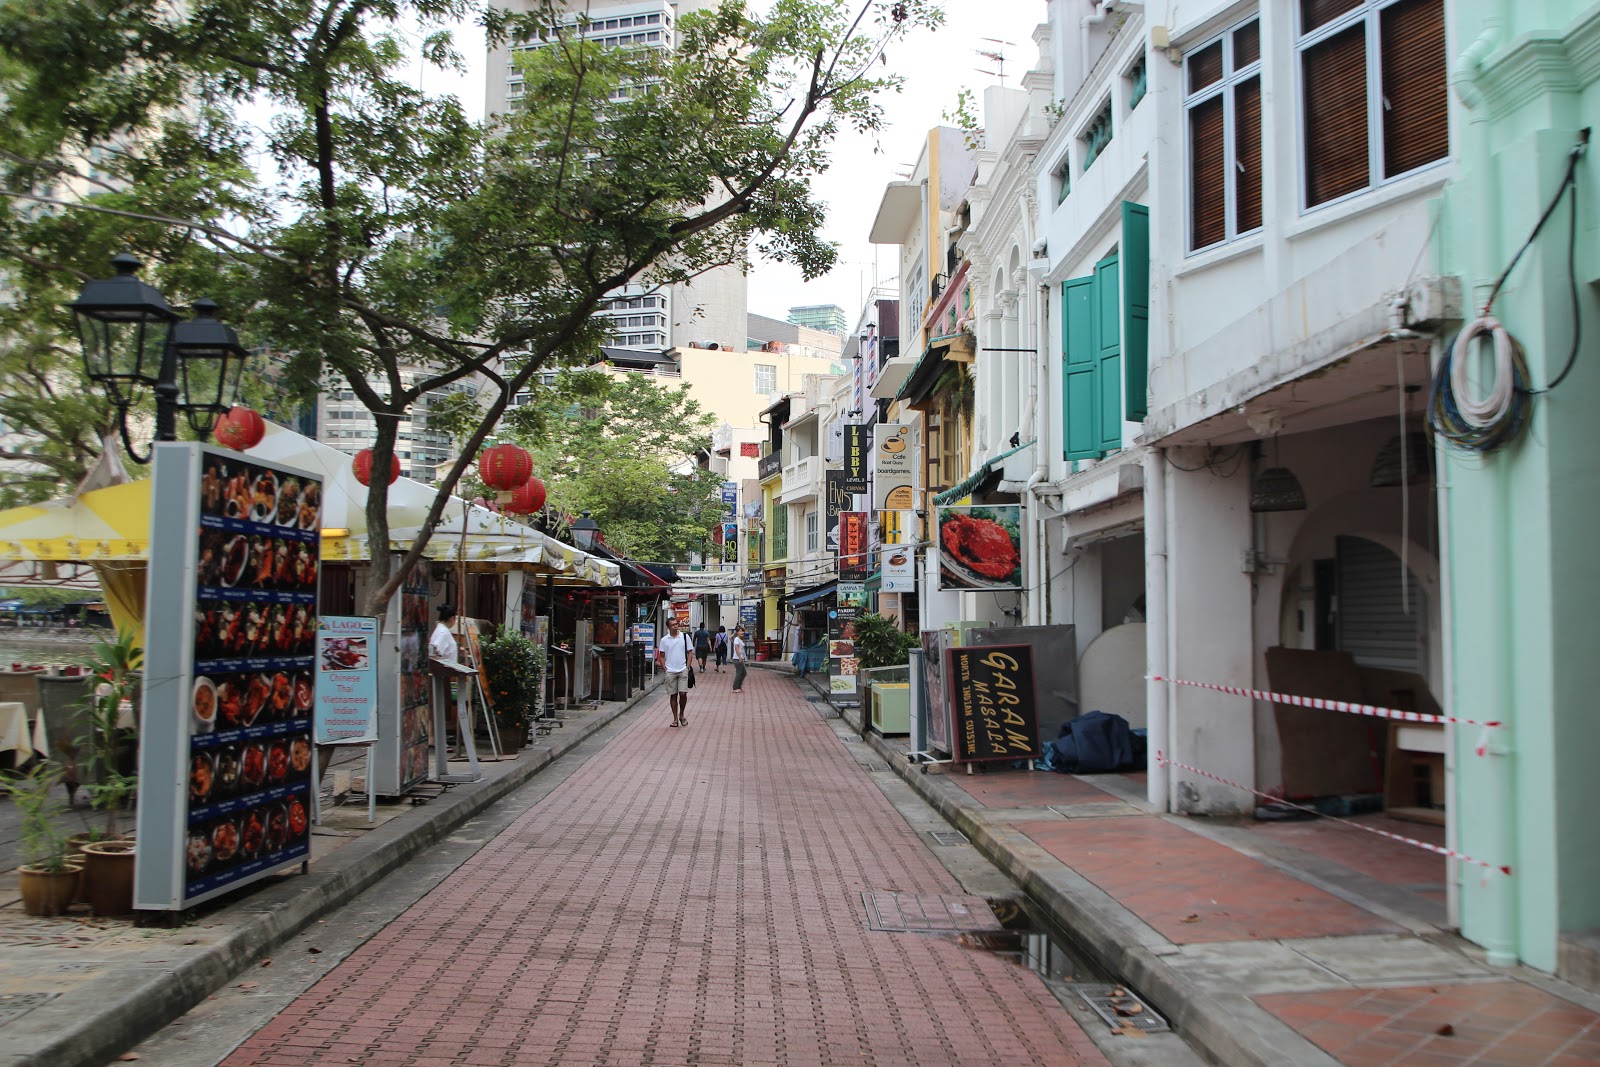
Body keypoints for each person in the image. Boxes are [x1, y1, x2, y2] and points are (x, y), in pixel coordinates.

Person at [655, 617, 694, 727]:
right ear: (668, 627)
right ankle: (675, 718)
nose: (675, 626)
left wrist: (687, 667)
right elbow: (661, 656)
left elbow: (690, 652)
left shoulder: (685, 637)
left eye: (676, 624)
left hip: (682, 669)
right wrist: (665, 669)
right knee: (673, 695)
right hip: (670, 670)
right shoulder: (664, 640)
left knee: (683, 693)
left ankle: (682, 714)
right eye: (673, 625)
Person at [730, 625, 748, 693]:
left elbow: (730, 638)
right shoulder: (737, 639)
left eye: (742, 631)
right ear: (737, 632)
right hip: (737, 658)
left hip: (740, 658)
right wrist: (740, 657)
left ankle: (739, 686)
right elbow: (737, 649)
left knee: (744, 673)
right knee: (739, 673)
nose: (742, 632)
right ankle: (735, 687)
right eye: (740, 631)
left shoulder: (739, 639)